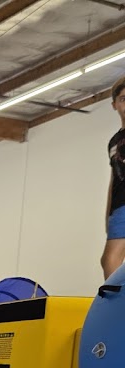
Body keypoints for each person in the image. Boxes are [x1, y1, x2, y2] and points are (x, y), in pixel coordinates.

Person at [102, 75, 125, 279]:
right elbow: (114, 179)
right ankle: (115, 297)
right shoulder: (114, 142)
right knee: (108, 260)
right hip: (119, 207)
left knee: (111, 258)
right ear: (114, 105)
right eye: (124, 99)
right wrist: (108, 214)